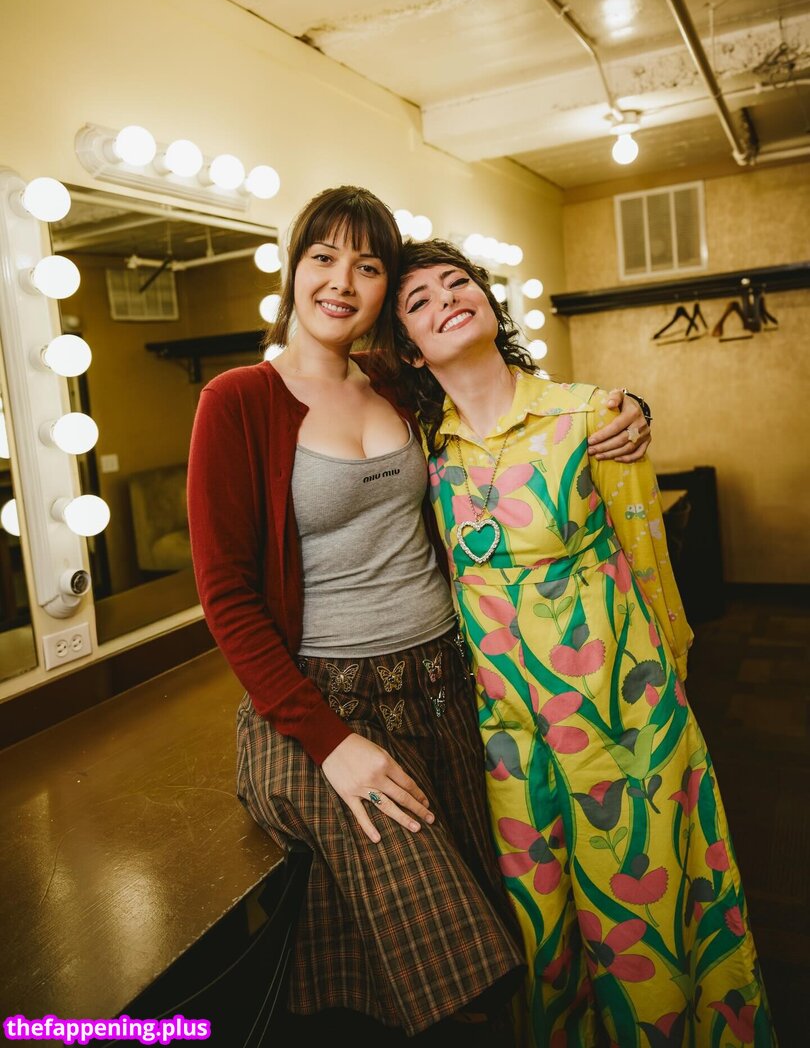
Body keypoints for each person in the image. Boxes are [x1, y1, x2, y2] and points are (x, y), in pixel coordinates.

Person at [186, 186, 648, 1045]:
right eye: (323, 257)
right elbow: (227, 594)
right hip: (319, 703)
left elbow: (508, 404)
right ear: (293, 269)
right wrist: (332, 742)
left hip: (446, 683)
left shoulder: (400, 382)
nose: (341, 281)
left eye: (367, 266)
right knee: (448, 933)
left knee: (515, 904)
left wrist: (620, 408)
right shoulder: (238, 400)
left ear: (384, 291)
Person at [390, 237, 777, 1048]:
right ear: (411, 351)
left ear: (489, 302)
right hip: (507, 738)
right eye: (419, 300)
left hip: (622, 719)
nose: (446, 299)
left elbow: (650, 562)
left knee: (644, 921)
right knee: (543, 931)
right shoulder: (424, 450)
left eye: (458, 283)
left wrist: (670, 696)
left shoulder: (592, 416)